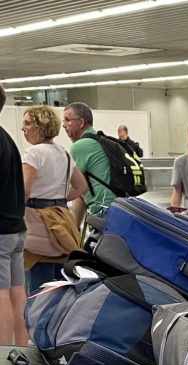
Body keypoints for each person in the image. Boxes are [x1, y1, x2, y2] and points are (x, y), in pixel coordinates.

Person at [20, 104, 88, 292]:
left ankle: (35, 321)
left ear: (40, 126)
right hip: (62, 221)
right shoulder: (64, 153)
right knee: (59, 286)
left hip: (37, 223)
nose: (23, 128)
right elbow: (81, 186)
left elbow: (24, 191)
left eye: (27, 123)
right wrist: (57, 199)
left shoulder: (33, 153)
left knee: (36, 287)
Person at [0, 86, 28, 347]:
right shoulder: (7, 139)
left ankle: (2, 360)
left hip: (0, 233)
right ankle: (22, 351)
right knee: (17, 292)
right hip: (16, 229)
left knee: (0, 296)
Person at [63, 102, 116, 218]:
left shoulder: (80, 146)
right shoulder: (100, 141)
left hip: (104, 210)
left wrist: (48, 200)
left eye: (67, 120)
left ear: (81, 123)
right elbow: (80, 193)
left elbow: (74, 188)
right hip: (118, 208)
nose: (64, 125)